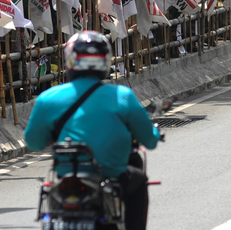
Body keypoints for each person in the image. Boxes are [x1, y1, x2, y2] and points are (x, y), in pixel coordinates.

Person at [25, 31, 161, 230]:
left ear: (70, 61)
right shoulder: (121, 96)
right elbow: (150, 140)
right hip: (110, 175)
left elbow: (34, 142)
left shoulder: (48, 98)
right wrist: (155, 133)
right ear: (105, 61)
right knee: (138, 181)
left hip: (66, 176)